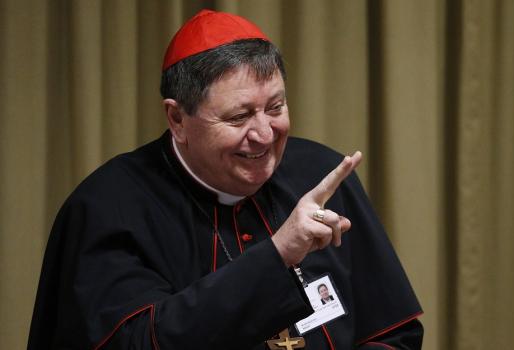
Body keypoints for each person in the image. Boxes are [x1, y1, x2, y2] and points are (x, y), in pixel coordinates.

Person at [28, 9, 423, 350]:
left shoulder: (319, 173)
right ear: (178, 119)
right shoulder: (108, 206)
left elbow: (393, 330)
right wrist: (278, 254)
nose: (265, 134)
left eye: (276, 107)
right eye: (239, 117)